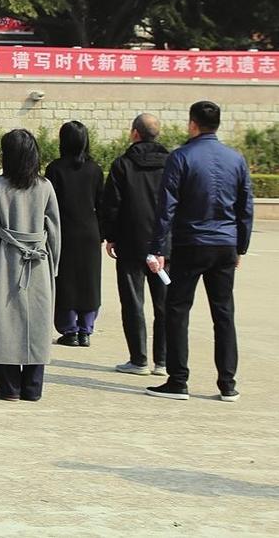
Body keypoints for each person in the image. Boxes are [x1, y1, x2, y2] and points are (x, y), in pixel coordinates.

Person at [146, 101, 254, 403]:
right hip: (224, 245)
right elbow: (245, 207)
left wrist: (158, 248)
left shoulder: (181, 157)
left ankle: (178, 380)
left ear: (193, 124)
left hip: (191, 243)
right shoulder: (236, 159)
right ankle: (227, 383)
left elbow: (166, 207)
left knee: (178, 310)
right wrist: (240, 246)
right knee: (223, 313)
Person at [0, 129, 62, 402]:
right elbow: (55, 230)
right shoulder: (45, 186)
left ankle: (8, 387)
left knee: (3, 322)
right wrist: (53, 265)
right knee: (37, 323)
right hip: (38, 259)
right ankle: (33, 388)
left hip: (5, 259)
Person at [99, 113, 170, 376]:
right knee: (163, 304)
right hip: (164, 246)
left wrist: (111, 236)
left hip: (130, 243)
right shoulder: (171, 163)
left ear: (135, 134)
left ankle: (139, 359)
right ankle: (162, 361)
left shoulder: (122, 165)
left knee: (133, 301)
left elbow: (112, 204)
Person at [46, 120, 103, 348]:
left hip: (63, 231)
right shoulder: (95, 169)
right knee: (90, 280)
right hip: (90, 230)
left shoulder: (55, 168)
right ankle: (86, 329)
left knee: (65, 280)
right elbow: (102, 202)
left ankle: (69, 329)